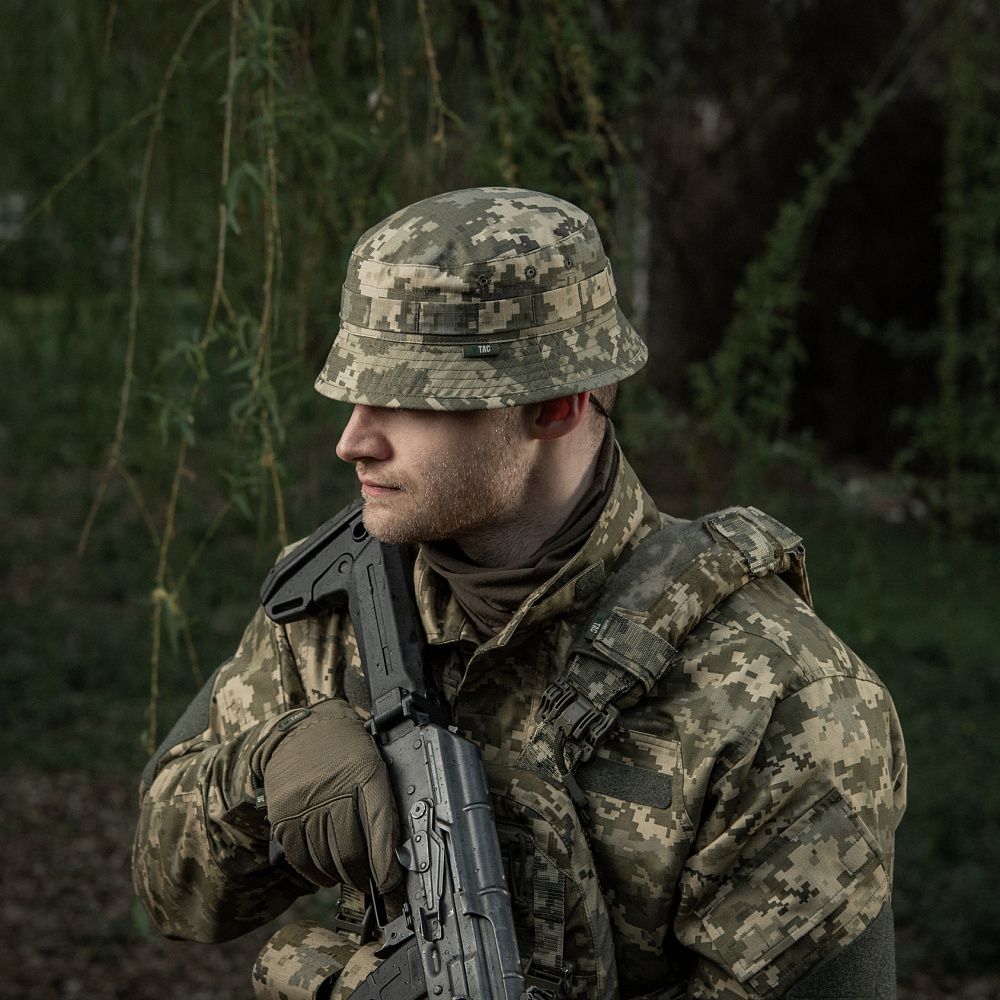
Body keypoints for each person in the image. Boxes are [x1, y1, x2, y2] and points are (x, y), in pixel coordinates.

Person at [132, 187, 906, 1000]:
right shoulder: (340, 600)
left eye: (411, 398)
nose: (352, 440)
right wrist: (264, 771)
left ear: (557, 406)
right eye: (357, 392)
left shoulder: (783, 698)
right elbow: (170, 891)